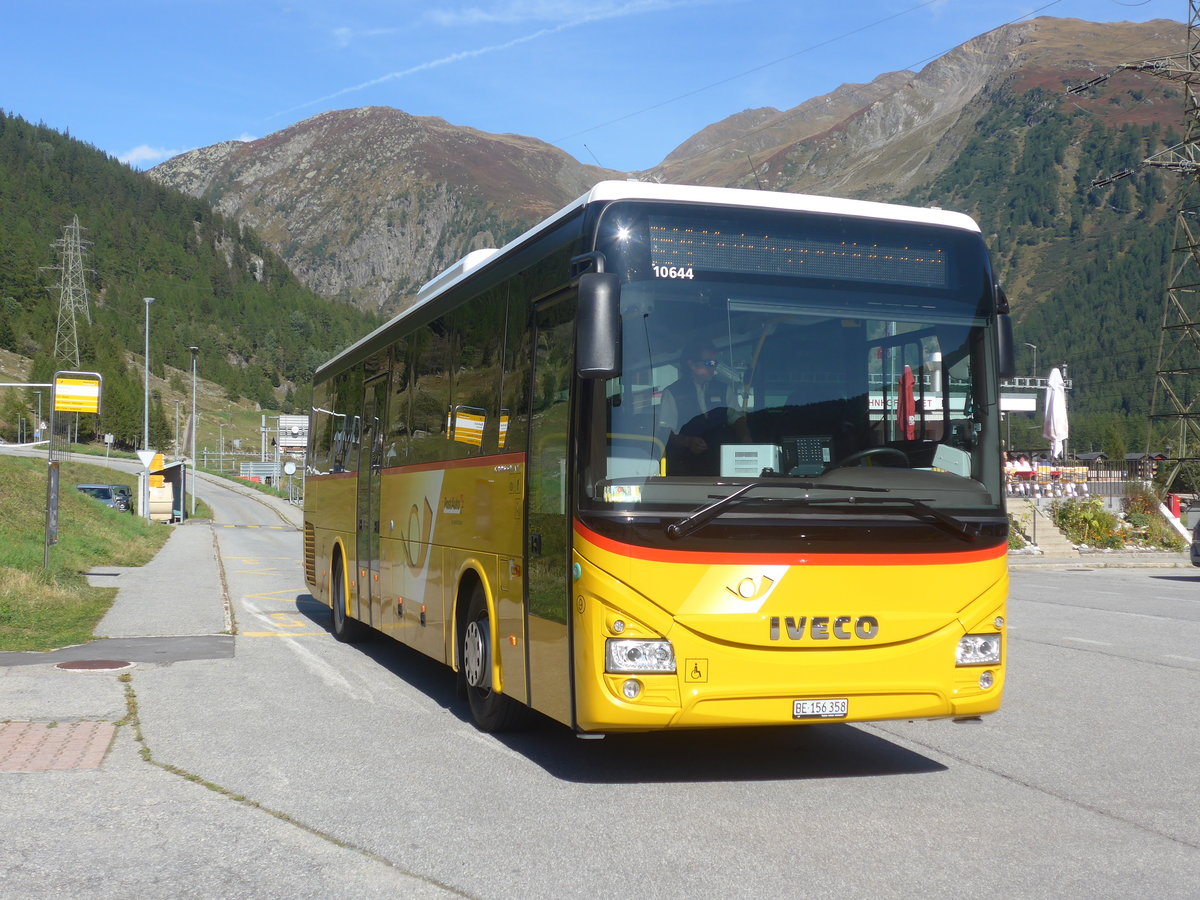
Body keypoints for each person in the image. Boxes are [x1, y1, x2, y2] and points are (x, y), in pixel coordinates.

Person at [659, 340, 747, 475]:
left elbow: (738, 419)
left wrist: (746, 442)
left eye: (715, 363)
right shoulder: (672, 393)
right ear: (692, 365)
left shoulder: (725, 390)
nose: (714, 368)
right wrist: (688, 442)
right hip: (685, 467)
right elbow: (665, 432)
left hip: (722, 465)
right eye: (709, 363)